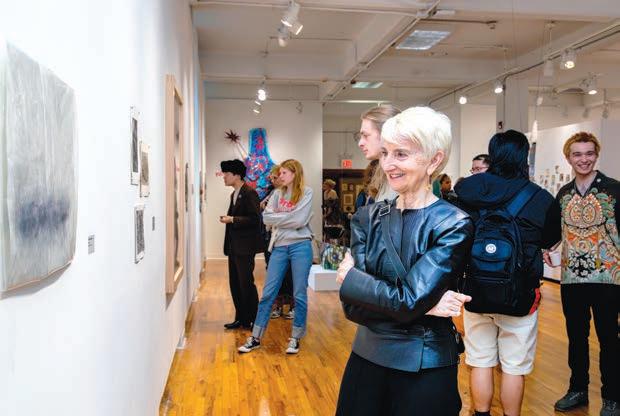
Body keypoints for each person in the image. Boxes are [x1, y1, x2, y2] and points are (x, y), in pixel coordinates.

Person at [336, 106, 474, 415]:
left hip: (423, 365)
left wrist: (356, 282)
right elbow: (352, 306)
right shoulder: (367, 217)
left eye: (401, 154)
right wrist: (426, 306)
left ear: (434, 160)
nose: (388, 164)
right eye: (385, 153)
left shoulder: (452, 223)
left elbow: (406, 301)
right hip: (366, 359)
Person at [455, 130, 556, 416]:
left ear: (493, 155)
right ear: (524, 157)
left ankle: (481, 413)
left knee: (480, 360)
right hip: (520, 293)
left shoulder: (469, 190)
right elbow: (549, 240)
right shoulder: (541, 198)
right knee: (514, 366)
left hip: (476, 289)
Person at [542, 132, 619, 416]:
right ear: (568, 158)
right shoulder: (564, 194)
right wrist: (546, 249)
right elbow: (551, 232)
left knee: (609, 338)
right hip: (572, 278)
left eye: (589, 153)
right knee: (576, 337)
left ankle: (613, 397)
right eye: (577, 154)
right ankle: (578, 389)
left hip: (609, 277)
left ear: (596, 155)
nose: (583, 159)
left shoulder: (614, 190)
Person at [238, 159, 314, 355]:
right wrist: (289, 218)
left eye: (284, 173)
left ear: (294, 174)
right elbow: (266, 218)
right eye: (279, 173)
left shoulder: (307, 192)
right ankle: (255, 337)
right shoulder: (277, 194)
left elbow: (300, 220)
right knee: (268, 294)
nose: (280, 176)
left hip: (301, 245)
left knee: (299, 294)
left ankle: (295, 338)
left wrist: (280, 218)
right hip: (279, 246)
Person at [219, 159, 263, 330]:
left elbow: (255, 219)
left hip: (245, 247)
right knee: (235, 284)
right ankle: (241, 318)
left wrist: (233, 219)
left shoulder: (249, 193)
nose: (224, 177)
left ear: (237, 175)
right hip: (234, 247)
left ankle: (253, 319)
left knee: (246, 283)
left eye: (226, 174)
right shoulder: (234, 194)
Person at [261, 165, 295, 320]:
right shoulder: (271, 193)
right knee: (273, 273)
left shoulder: (292, 195)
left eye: (276, 177)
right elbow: (265, 215)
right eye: (272, 177)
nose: (273, 180)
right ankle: (278, 305)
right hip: (270, 238)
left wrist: (273, 216)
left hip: (286, 238)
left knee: (289, 273)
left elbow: (290, 217)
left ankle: (291, 305)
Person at [358, 105, 402, 202]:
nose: (360, 143)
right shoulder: (384, 176)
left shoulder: (402, 181)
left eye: (365, 135)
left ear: (385, 134)